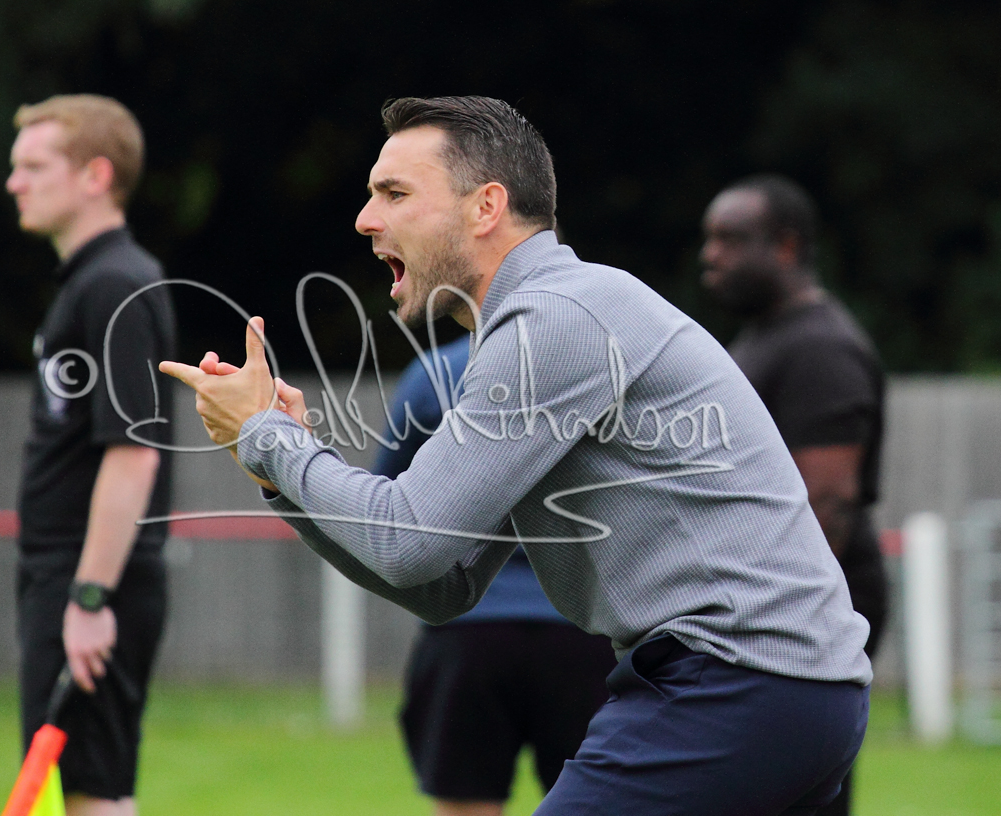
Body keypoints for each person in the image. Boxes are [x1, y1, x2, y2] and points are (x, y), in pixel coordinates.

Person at [162, 96, 872, 814]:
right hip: (774, 690)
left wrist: (270, 439)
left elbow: (407, 538)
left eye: (394, 193)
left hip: (737, 686)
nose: (365, 218)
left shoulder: (555, 319)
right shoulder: (541, 321)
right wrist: (280, 466)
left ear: (486, 207)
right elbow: (446, 583)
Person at [7, 94, 176, 816]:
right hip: (72, 578)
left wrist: (89, 598)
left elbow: (134, 454)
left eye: (34, 166)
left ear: (95, 176)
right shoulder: (89, 282)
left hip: (92, 584)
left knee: (92, 797)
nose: (14, 182)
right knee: (89, 793)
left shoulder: (112, 284)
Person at [701, 174, 888, 816]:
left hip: (803, 604)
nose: (710, 255)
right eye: (709, 239)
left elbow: (826, 503)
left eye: (730, 239)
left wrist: (764, 617)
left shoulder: (819, 347)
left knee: (797, 790)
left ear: (785, 246)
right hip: (771, 600)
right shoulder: (767, 336)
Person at [376, 335, 617, 816]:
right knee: (601, 804)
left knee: (467, 808)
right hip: (584, 627)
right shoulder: (603, 367)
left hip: (469, 632)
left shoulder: (436, 372)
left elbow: (388, 496)